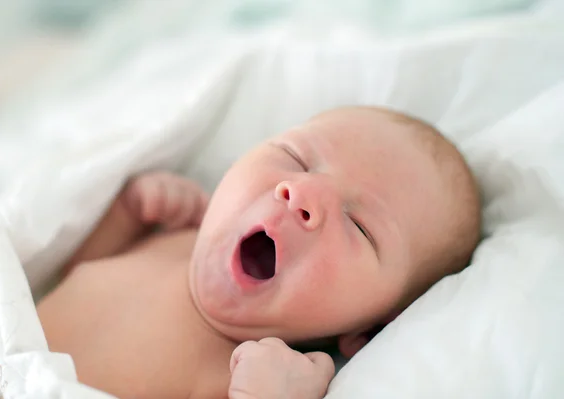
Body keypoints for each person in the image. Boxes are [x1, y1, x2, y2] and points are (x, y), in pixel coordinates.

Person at [37, 106, 482, 399]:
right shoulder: (171, 241)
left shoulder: (247, 377)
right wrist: (124, 217)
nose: (302, 192)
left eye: (361, 228)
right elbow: (76, 275)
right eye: (296, 159)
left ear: (366, 331)